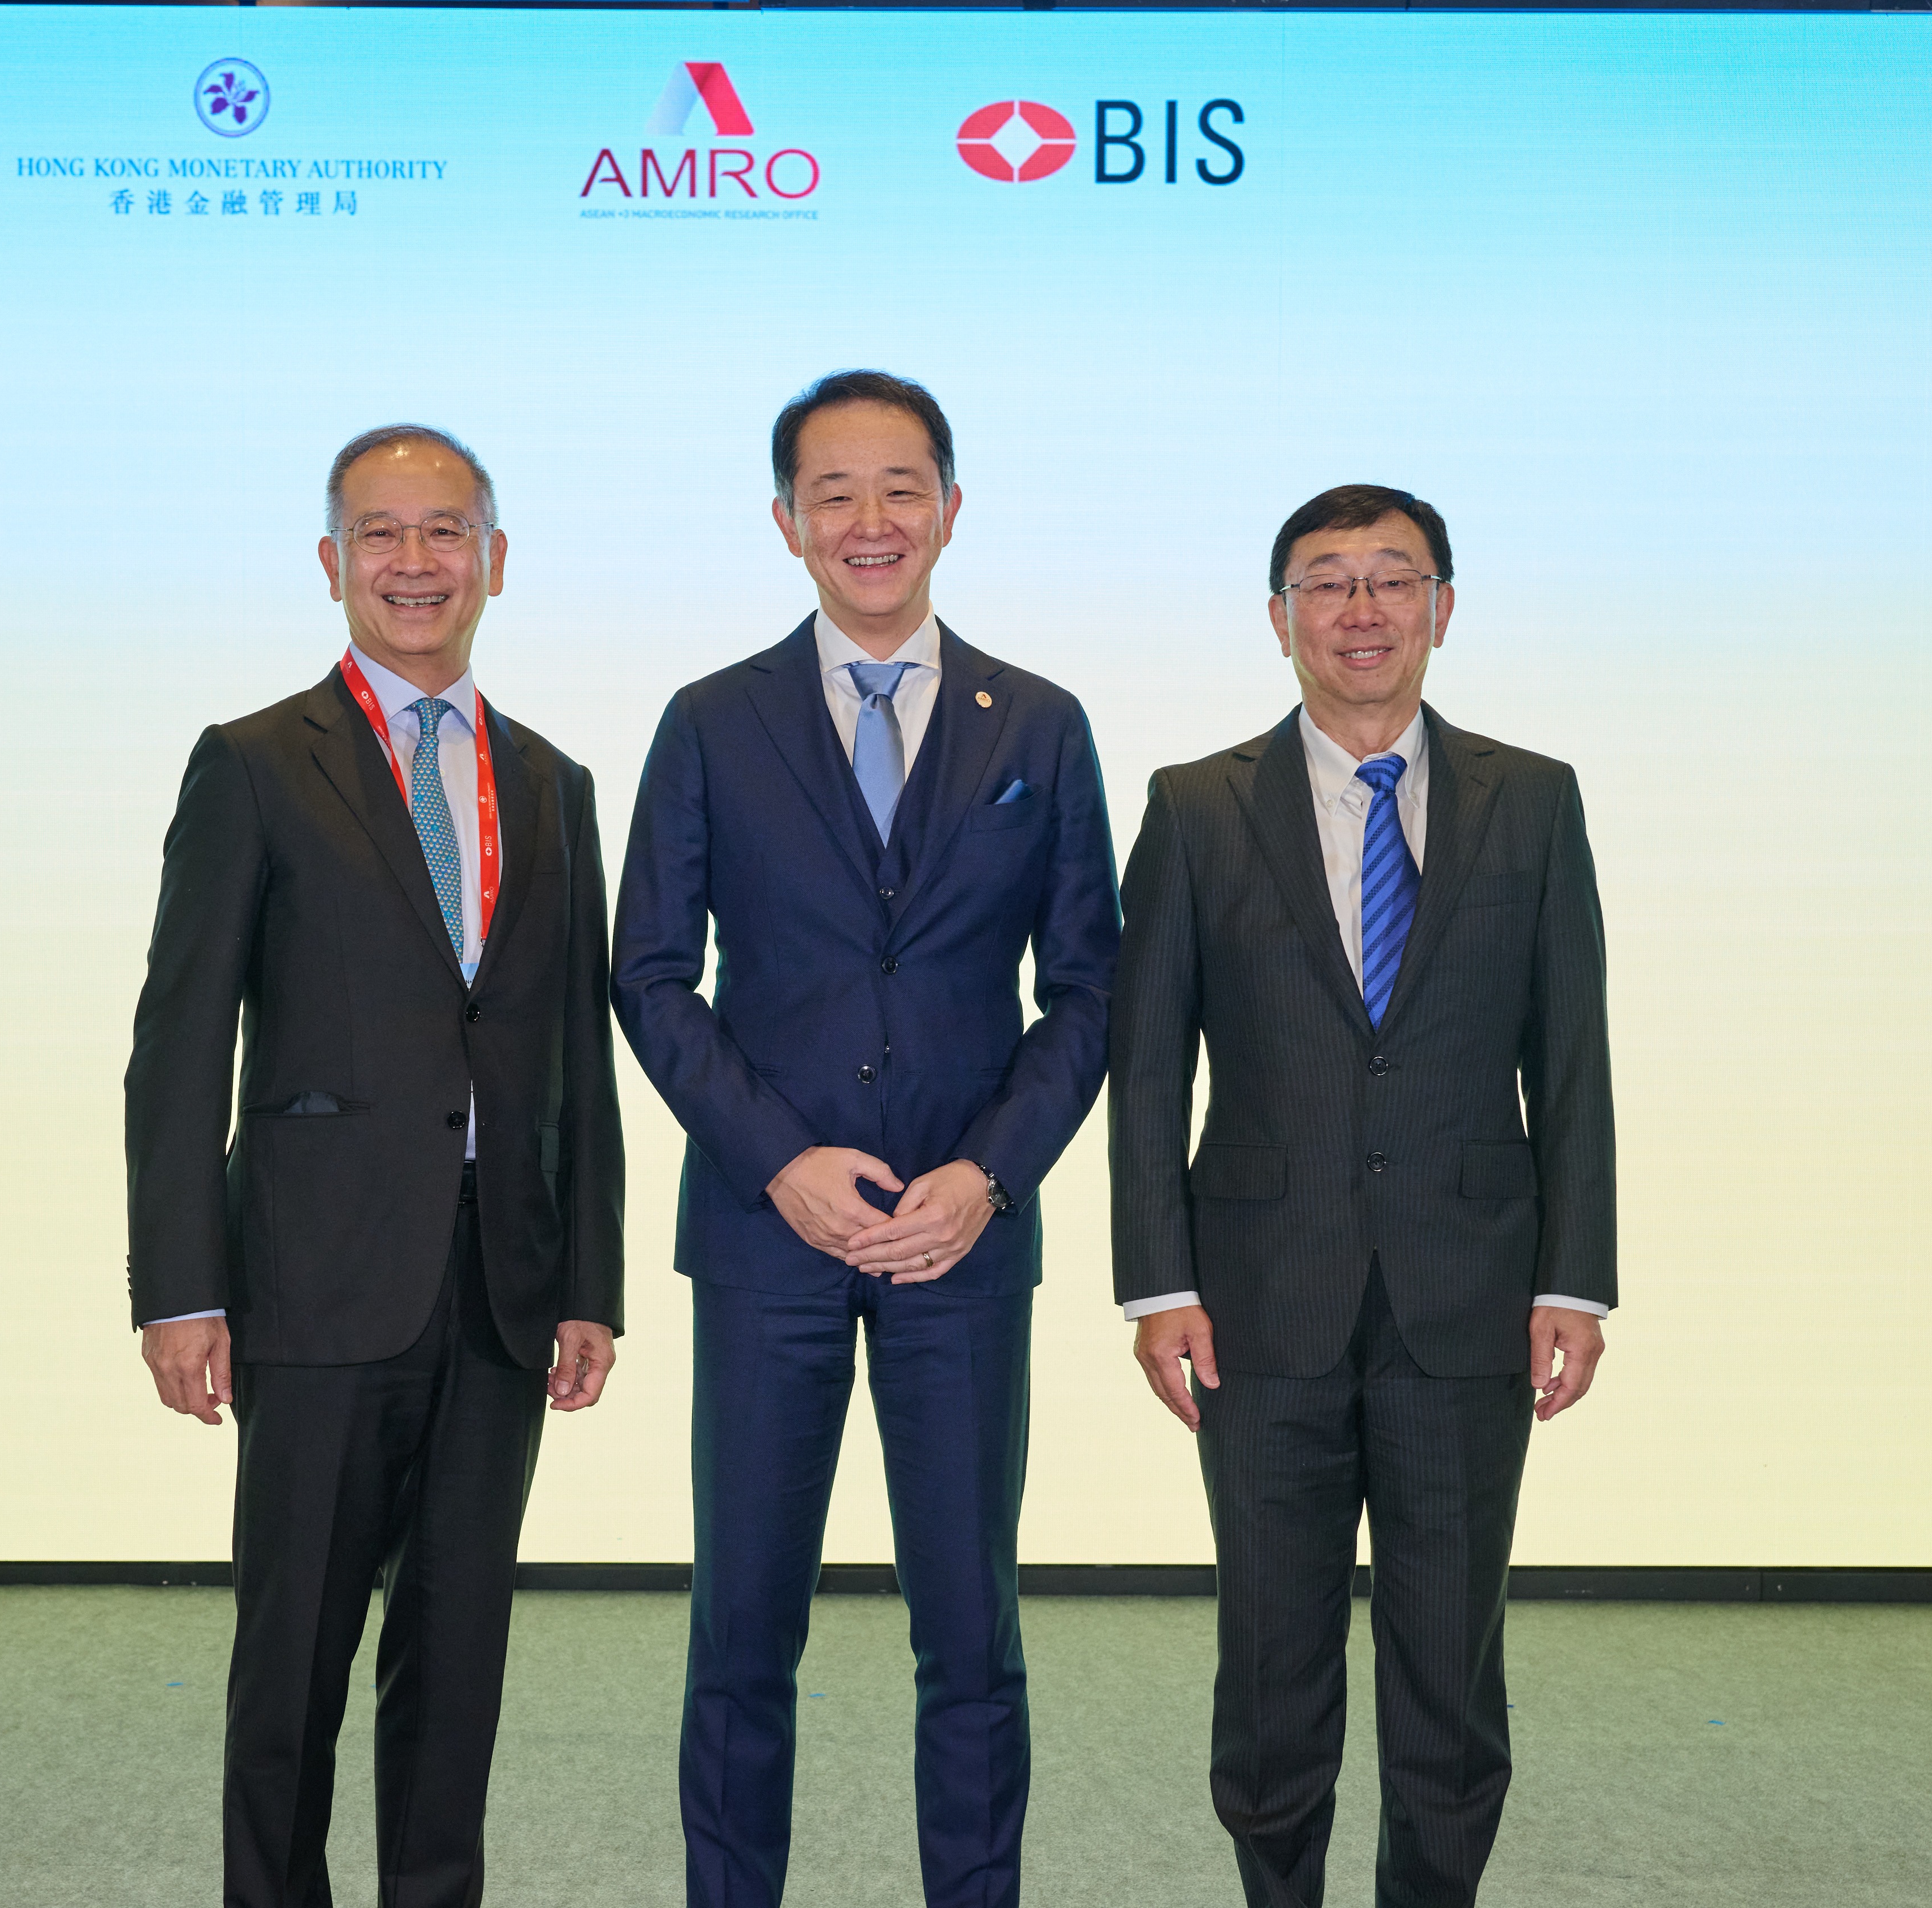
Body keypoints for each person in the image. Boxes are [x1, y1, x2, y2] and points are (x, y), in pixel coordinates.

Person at [613, 370, 1120, 1908]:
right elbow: (651, 974)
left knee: (971, 1631)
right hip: (767, 1237)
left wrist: (988, 1174)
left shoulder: (1041, 722)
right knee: (742, 1627)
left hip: (962, 1244)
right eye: (833, 493)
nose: (870, 520)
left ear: (951, 509)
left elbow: (1089, 988)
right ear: (787, 523)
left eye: (902, 488)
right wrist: (778, 1158)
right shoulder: (712, 721)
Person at [123, 424, 626, 1908]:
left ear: (495, 559)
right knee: (292, 1664)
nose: (416, 562)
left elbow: (577, 1058)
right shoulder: (255, 764)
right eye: (382, 534)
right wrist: (179, 1290)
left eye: (445, 530)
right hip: (315, 1289)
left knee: (457, 1665)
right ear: (333, 562)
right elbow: (178, 1045)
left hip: (499, 1290)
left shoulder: (552, 783)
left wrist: (588, 1280)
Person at [1107, 484, 1615, 1908]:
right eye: (1326, 582)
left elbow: (1572, 1054)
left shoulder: (1534, 799)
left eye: (1393, 577)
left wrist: (1573, 1277)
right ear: (1280, 619)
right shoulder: (1196, 806)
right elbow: (1147, 1066)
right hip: (1260, 1303)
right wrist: (1158, 1282)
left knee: (1450, 1668)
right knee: (1273, 1667)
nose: (1362, 608)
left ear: (1443, 606)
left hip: (1470, 1297)